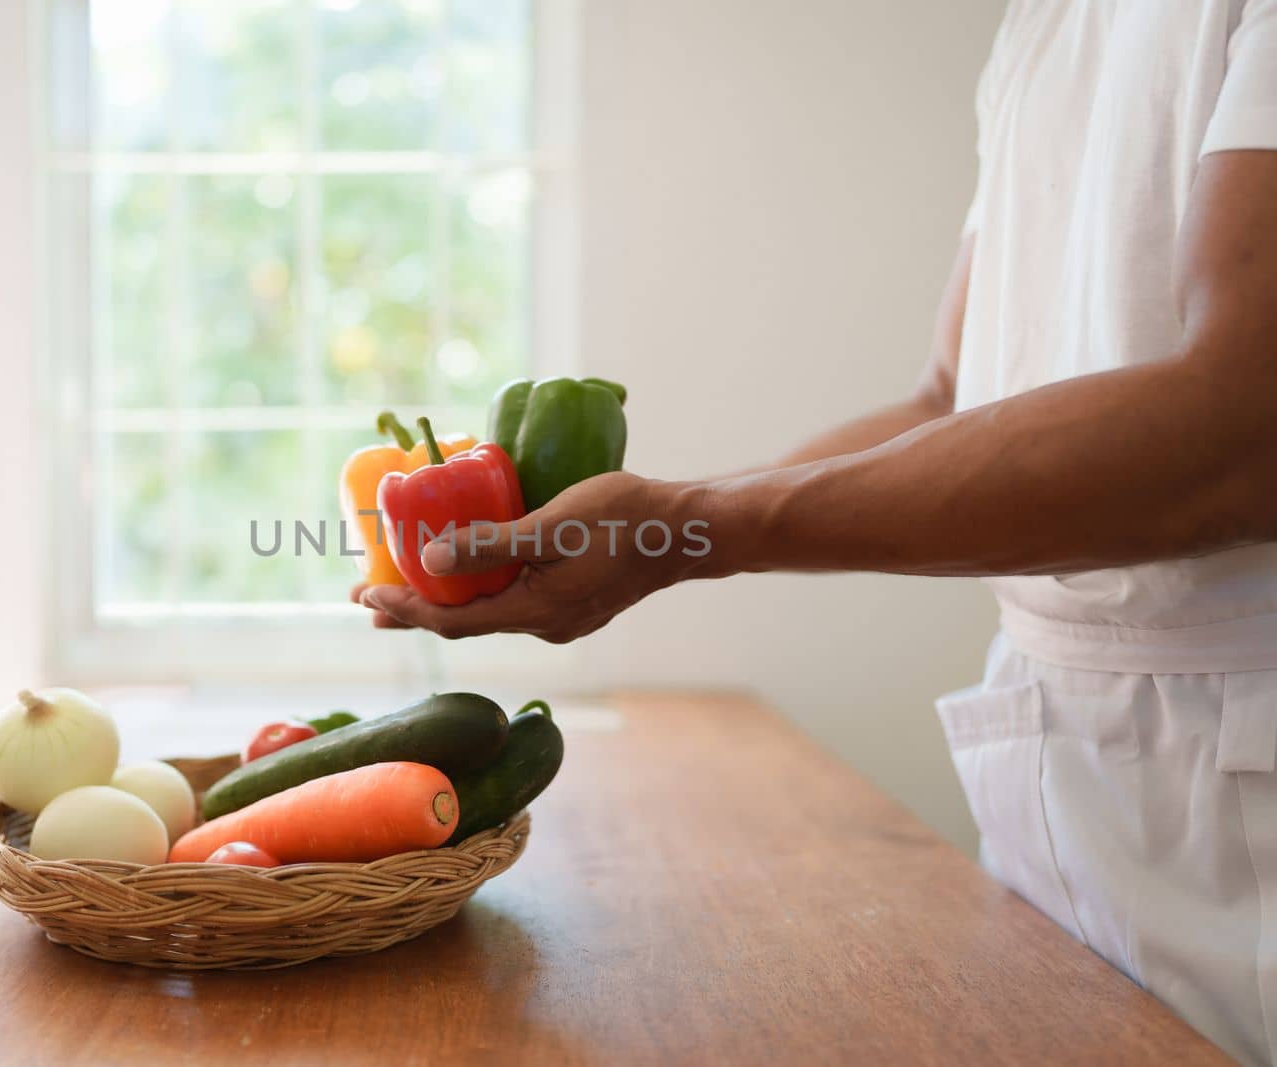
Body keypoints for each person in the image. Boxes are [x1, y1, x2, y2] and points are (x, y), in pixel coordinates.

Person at [352, 2, 1277, 1061]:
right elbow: (945, 398)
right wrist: (662, 531)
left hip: (1236, 788)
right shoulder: (1042, 25)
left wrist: (688, 526)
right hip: (1060, 756)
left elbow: (1242, 427)